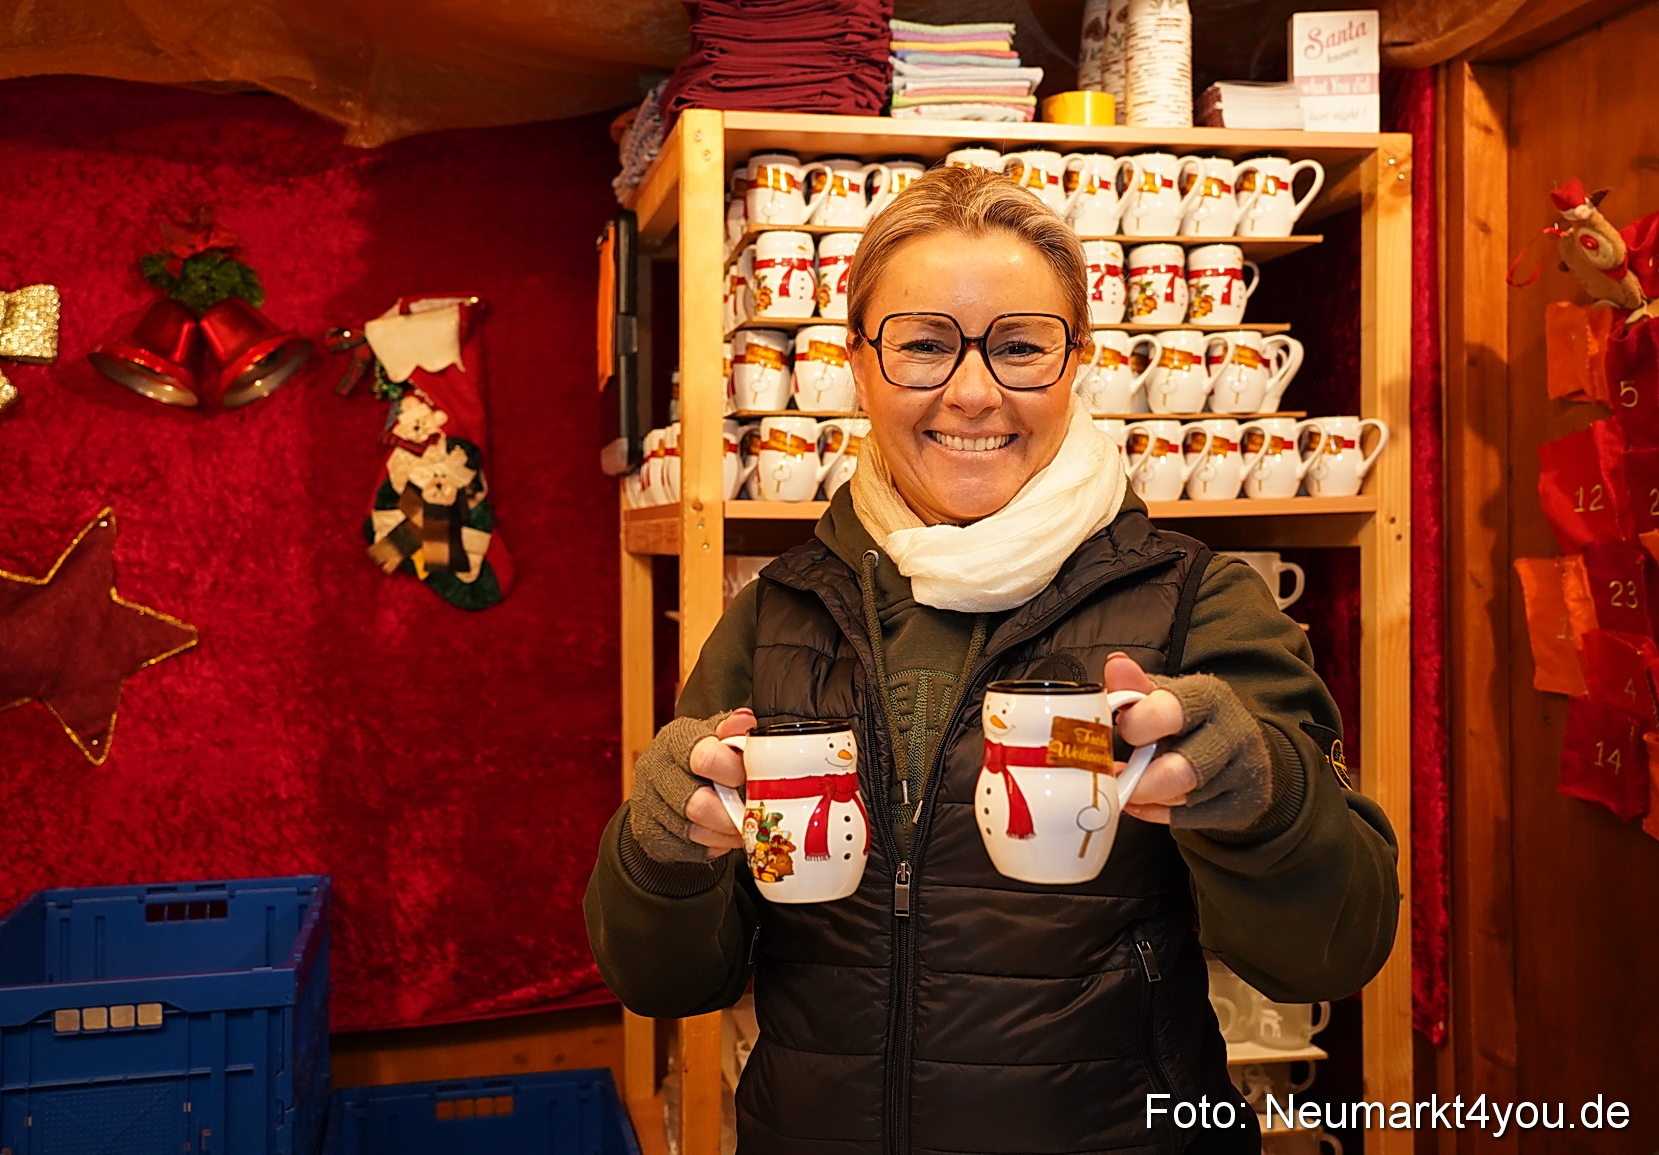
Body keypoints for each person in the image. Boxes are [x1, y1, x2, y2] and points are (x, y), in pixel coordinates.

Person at [585, 165, 1399, 1155]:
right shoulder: (775, 617)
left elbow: (1333, 949)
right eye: (923, 346)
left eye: (1018, 348)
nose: (972, 393)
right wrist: (661, 847)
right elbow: (664, 980)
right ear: (858, 364)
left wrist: (1256, 793)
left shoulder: (1196, 601)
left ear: (1076, 364)